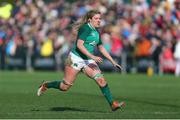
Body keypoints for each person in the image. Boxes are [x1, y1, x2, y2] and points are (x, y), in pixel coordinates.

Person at [37, 10, 125, 111]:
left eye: (100, 18)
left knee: (101, 80)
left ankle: (112, 104)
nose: (99, 20)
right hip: (75, 58)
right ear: (89, 20)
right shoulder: (85, 28)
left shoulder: (96, 32)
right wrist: (92, 56)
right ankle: (47, 84)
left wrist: (112, 61)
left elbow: (101, 48)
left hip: (88, 60)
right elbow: (79, 45)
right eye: (96, 18)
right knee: (64, 87)